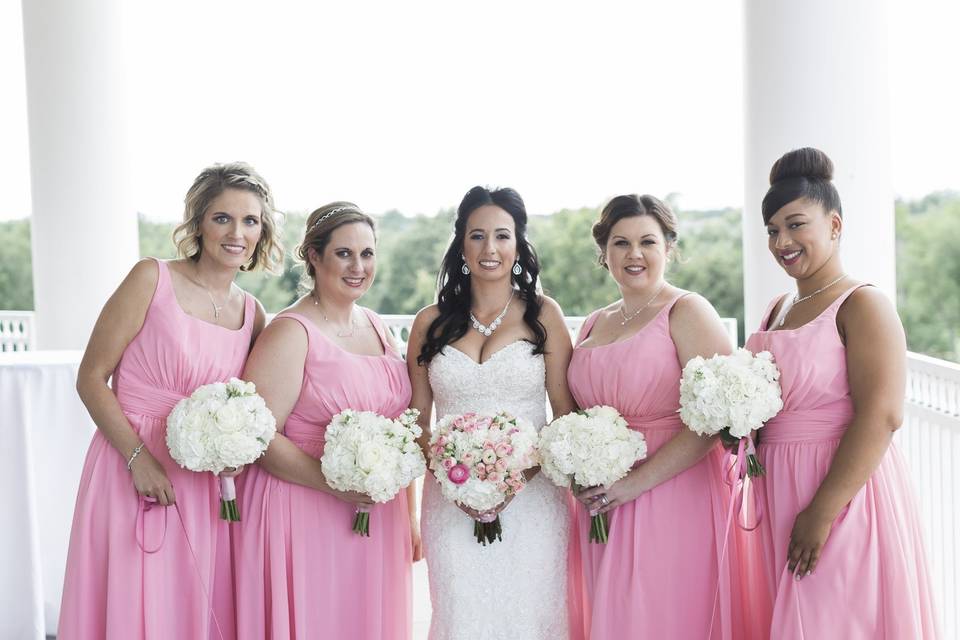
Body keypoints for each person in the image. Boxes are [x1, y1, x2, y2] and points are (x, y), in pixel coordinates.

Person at [59, 162, 279, 639]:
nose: (236, 232)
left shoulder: (254, 313)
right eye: (223, 218)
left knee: (191, 608)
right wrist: (138, 458)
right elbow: (92, 378)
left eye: (250, 221)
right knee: (132, 600)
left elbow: (253, 406)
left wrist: (239, 455)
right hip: (131, 463)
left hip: (203, 484)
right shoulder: (150, 279)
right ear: (199, 222)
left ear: (262, 233)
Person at [744, 147, 939, 638]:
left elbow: (883, 415)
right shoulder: (776, 308)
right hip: (779, 488)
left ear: (834, 225)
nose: (781, 240)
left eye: (795, 224)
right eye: (772, 230)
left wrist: (822, 512)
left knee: (837, 617)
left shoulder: (863, 304)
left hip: (838, 491)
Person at [569, 194, 753, 639]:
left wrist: (633, 485)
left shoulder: (686, 311)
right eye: (621, 243)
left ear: (668, 248)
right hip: (603, 500)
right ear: (604, 253)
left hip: (672, 493)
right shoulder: (594, 322)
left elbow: (715, 422)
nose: (634, 254)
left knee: (665, 617)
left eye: (647, 242)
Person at [233, 202, 417, 640]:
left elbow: (400, 429)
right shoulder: (291, 331)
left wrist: (408, 514)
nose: (359, 266)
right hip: (305, 511)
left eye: (367, 254)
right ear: (314, 256)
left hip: (377, 517)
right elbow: (260, 437)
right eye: (344, 253)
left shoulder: (376, 326)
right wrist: (335, 483)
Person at [407, 186, 577, 639]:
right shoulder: (430, 322)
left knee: (530, 617)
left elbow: (564, 417)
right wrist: (454, 476)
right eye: (477, 235)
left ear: (518, 245)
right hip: (450, 501)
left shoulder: (545, 315)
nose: (490, 248)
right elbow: (417, 422)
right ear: (461, 244)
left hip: (534, 502)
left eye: (502, 236)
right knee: (462, 616)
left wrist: (513, 478)